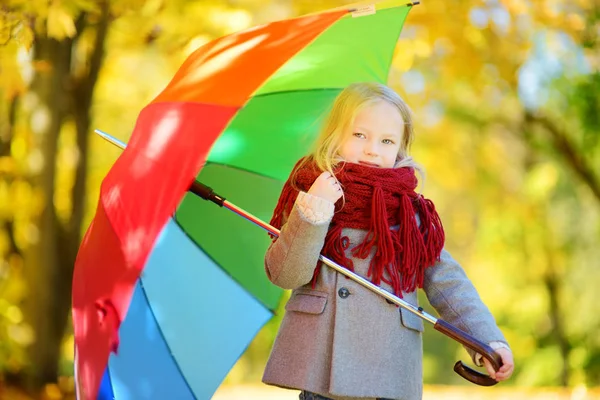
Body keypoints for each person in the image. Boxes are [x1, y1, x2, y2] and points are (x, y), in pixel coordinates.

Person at [261, 82, 514, 400]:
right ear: (335, 135)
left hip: (389, 369)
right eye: (359, 135)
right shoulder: (313, 193)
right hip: (324, 371)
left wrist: (488, 340)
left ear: (400, 149)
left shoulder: (410, 213)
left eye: (386, 140)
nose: (371, 149)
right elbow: (286, 275)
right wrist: (315, 210)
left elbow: (449, 283)